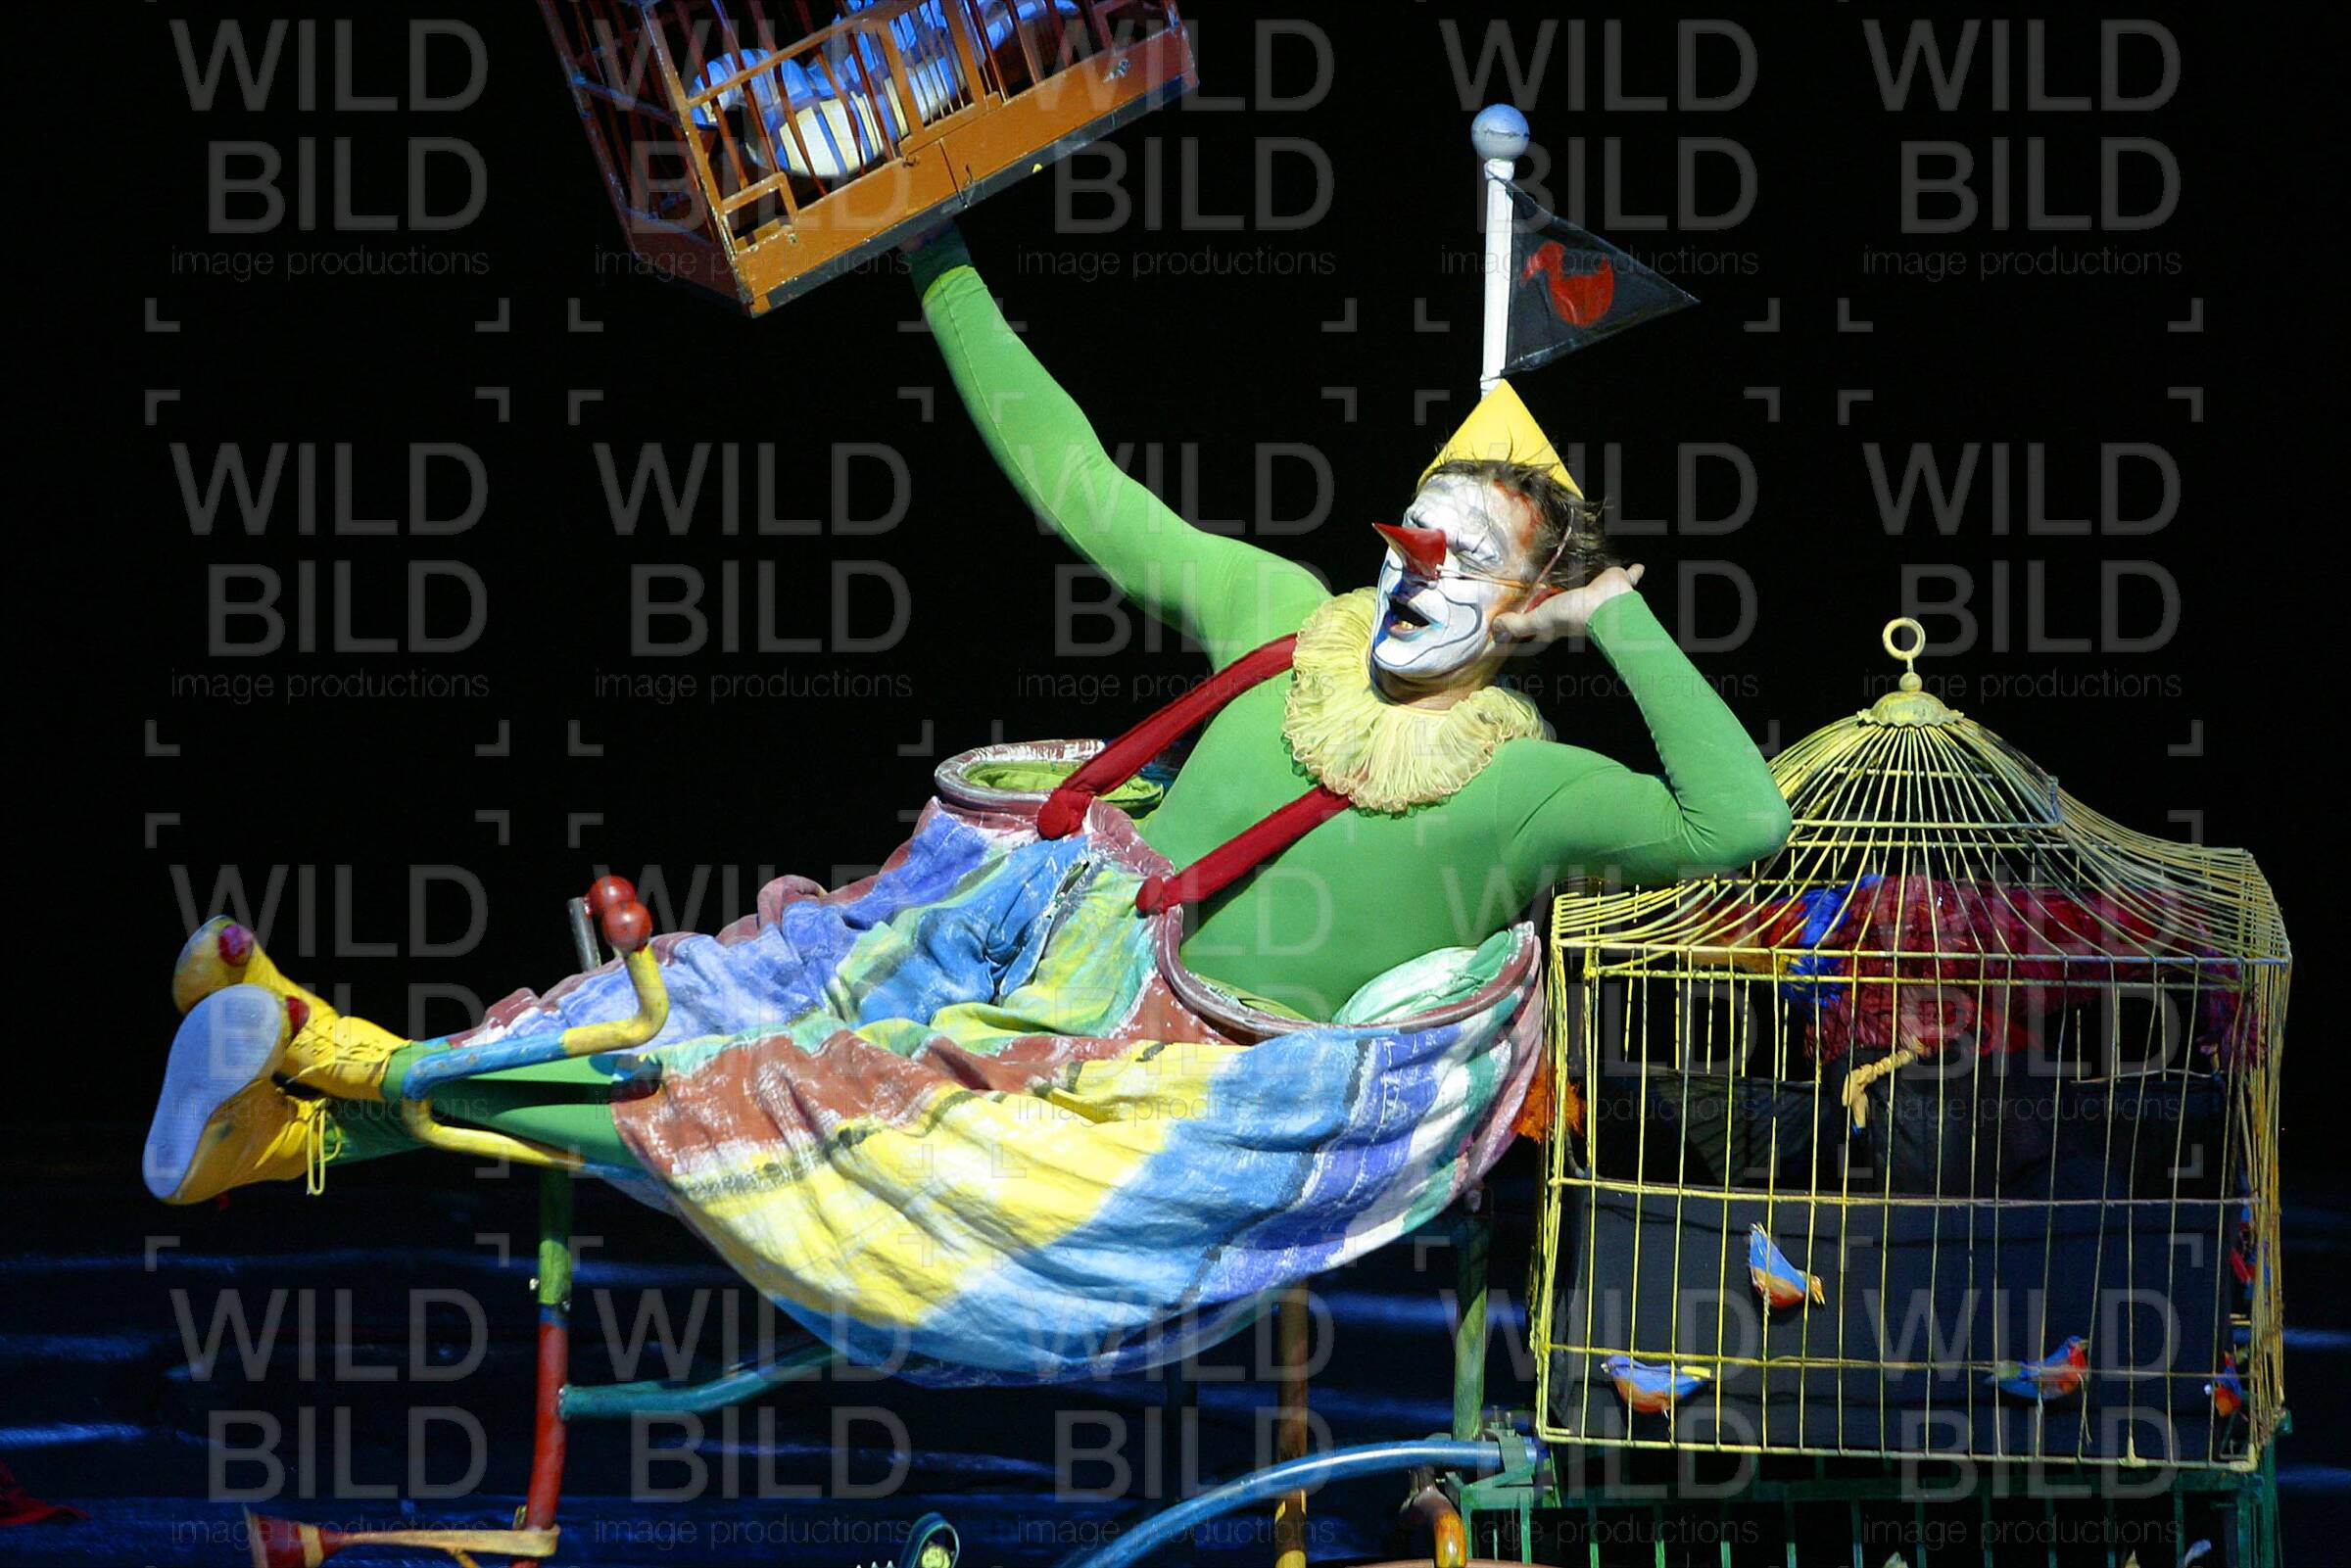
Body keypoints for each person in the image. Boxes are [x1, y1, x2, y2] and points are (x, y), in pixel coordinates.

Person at [142, 225, 1789, 1380]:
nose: (1418, 570)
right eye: (1413, 531)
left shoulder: (1527, 783)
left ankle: (350, 1067)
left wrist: (1619, 615)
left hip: (1152, 1103)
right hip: (1017, 953)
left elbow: (1737, 827)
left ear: (1526, 607)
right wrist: (937, 252)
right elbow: (1077, 481)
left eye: (1469, 559)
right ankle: (301, 1127)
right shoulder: (1286, 622)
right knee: (703, 1000)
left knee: (772, 1100)